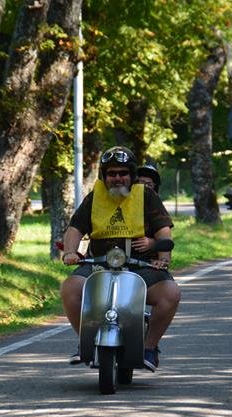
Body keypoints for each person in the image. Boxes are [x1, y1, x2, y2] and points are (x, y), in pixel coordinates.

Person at [60, 146, 181, 372]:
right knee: (70, 289)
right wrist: (70, 252)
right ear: (104, 176)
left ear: (132, 175)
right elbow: (75, 228)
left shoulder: (147, 196)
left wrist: (162, 257)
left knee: (170, 293)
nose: (117, 178)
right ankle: (85, 342)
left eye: (123, 173)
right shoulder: (94, 198)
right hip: (98, 265)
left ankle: (149, 348)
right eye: (112, 173)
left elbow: (163, 232)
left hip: (142, 266)